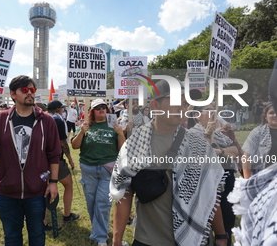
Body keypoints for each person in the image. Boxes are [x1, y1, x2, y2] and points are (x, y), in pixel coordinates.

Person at [110, 79, 227, 246]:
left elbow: (210, 194)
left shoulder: (199, 146)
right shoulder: (134, 145)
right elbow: (123, 195)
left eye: (185, 103)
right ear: (155, 106)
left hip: (193, 239)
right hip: (148, 240)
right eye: (174, 102)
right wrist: (116, 240)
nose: (182, 108)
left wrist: (221, 235)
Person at [0, 75, 61, 246]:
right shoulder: (0, 119)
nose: (30, 93)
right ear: (13, 94)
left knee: (37, 236)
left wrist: (54, 182)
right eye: (25, 90)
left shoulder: (46, 120)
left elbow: (54, 153)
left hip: (36, 191)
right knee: (12, 238)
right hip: (7, 192)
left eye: (32, 90)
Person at [71, 98, 125, 246]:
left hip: (107, 170)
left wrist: (120, 134)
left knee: (103, 203)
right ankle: (100, 231)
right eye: (98, 107)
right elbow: (75, 146)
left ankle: (100, 237)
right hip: (88, 169)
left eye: (104, 107)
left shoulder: (114, 126)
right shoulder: (86, 125)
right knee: (91, 203)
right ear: (92, 111)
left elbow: (122, 149)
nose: (102, 109)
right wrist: (82, 132)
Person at [189, 104, 239, 246]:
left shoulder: (219, 134)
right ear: (196, 116)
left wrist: (219, 151)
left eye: (214, 110)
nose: (214, 113)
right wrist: (208, 135)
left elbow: (234, 151)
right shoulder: (191, 133)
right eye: (209, 110)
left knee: (227, 221)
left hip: (226, 182)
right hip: (206, 187)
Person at [45, 100, 80, 229]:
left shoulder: (43, 118)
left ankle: (43, 221)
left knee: (44, 188)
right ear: (58, 109)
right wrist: (70, 159)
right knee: (68, 184)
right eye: (62, 109)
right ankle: (66, 214)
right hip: (55, 160)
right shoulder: (58, 121)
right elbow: (63, 142)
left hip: (41, 160)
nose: (63, 110)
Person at [242, 103, 277, 178]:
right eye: (271, 113)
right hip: (262, 176)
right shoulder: (258, 132)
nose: (275, 115)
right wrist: (247, 180)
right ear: (265, 117)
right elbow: (247, 157)